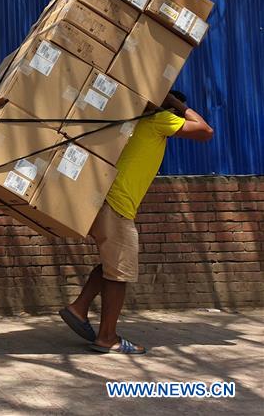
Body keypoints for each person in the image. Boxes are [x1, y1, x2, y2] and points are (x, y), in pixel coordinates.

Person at [59, 90, 213, 355]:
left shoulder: (132, 118)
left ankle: (78, 308)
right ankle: (107, 337)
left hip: (102, 199)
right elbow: (205, 131)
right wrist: (176, 105)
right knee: (120, 272)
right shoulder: (158, 119)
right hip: (117, 205)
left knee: (113, 264)